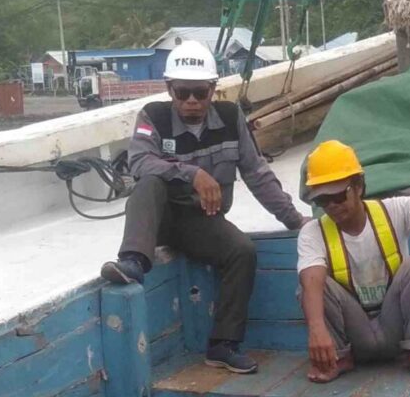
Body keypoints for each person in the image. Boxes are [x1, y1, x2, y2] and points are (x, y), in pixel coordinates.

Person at [100, 40, 306, 374]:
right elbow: (138, 162)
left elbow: (256, 172)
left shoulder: (229, 118)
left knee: (243, 251)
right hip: (161, 217)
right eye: (183, 93)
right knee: (148, 183)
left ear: (213, 89)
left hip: (201, 221)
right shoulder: (152, 117)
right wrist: (192, 174)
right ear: (170, 89)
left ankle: (223, 345)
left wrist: (294, 218)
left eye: (200, 92)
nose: (192, 101)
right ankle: (133, 261)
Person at [297, 134, 410, 384]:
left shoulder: (395, 211)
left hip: (394, 327)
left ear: (358, 186)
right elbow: (311, 277)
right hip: (354, 334)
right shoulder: (313, 232)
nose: (332, 206)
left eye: (338, 196)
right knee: (311, 287)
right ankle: (338, 358)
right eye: (322, 200)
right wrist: (317, 330)